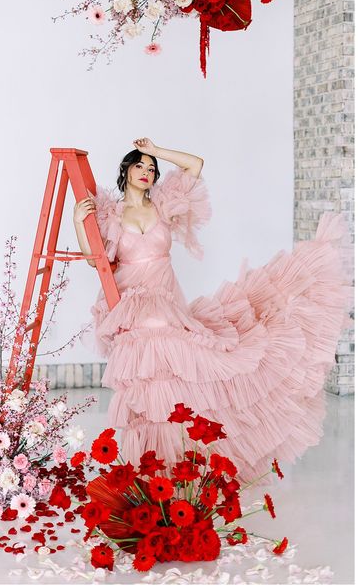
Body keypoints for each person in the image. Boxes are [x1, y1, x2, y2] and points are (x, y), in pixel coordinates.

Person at [73, 137, 353, 484]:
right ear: (125, 171)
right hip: (134, 305)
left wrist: (156, 150)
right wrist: (76, 221)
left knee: (184, 375)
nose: (146, 172)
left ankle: (177, 465)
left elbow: (194, 165)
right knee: (150, 385)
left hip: (168, 302)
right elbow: (94, 261)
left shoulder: (161, 206)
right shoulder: (112, 215)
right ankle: (151, 467)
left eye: (151, 169)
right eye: (139, 166)